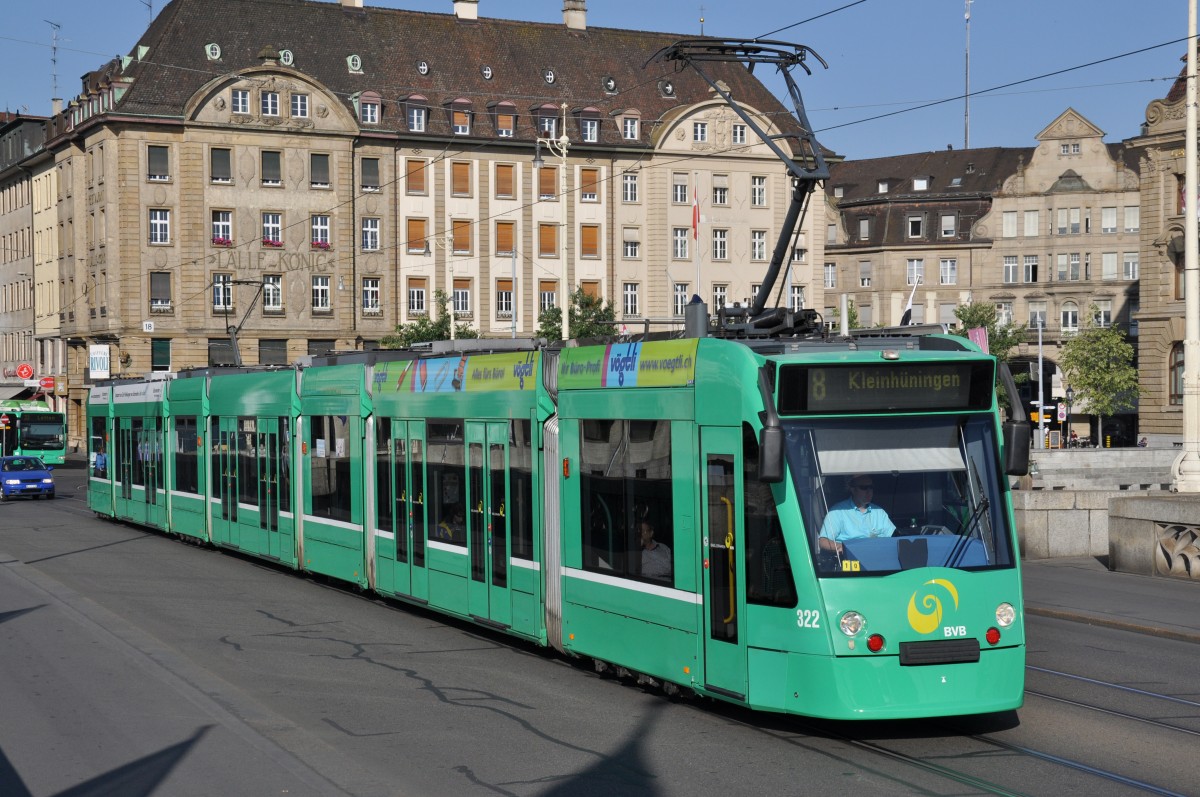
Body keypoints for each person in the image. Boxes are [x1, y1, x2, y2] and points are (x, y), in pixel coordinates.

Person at [819, 474, 896, 554]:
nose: (869, 491)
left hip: (879, 556)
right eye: (864, 488)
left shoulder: (879, 512)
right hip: (852, 558)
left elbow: (894, 538)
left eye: (871, 487)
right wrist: (841, 547)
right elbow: (823, 541)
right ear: (853, 489)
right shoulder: (837, 512)